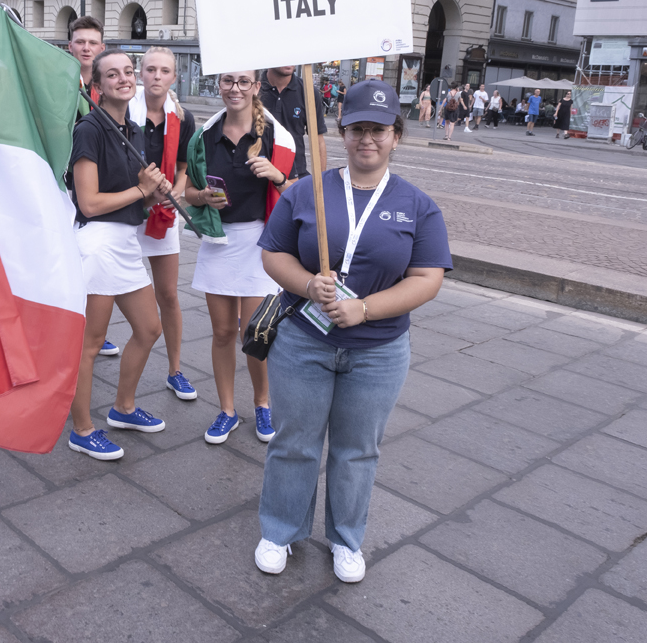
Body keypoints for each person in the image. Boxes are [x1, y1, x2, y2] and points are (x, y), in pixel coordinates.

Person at [253, 78, 451, 583]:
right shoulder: (307, 190)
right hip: (304, 340)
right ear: (342, 133)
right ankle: (280, 530)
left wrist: (365, 309)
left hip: (378, 351)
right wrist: (305, 283)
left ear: (396, 135)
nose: (368, 139)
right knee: (294, 440)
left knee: (357, 448)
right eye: (358, 128)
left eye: (379, 130)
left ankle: (346, 539)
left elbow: (427, 279)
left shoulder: (417, 205)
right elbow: (272, 252)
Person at [67, 50, 171, 460]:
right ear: (98, 83)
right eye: (113, 74)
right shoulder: (89, 129)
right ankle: (81, 429)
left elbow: (132, 199)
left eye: (129, 72)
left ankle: (123, 408)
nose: (124, 79)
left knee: (148, 329)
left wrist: (152, 197)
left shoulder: (134, 127)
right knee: (89, 344)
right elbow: (89, 202)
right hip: (97, 243)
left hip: (126, 241)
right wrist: (142, 191)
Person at [186, 69, 295, 446]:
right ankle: (227, 410)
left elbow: (302, 191)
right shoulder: (204, 136)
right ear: (219, 85)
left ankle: (262, 404)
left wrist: (278, 176)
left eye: (243, 82)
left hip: (259, 243)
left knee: (256, 334)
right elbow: (188, 190)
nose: (235, 88)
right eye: (228, 81)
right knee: (221, 333)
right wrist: (203, 198)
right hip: (218, 243)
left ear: (255, 87)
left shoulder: (276, 138)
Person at [128, 47, 198, 401]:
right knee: (107, 293)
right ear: (141, 73)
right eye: (150, 69)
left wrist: (178, 191)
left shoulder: (182, 117)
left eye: (164, 71)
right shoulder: (125, 108)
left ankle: (175, 370)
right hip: (124, 210)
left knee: (168, 294)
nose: (157, 76)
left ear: (174, 76)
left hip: (162, 213)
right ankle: (91, 352)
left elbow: (183, 168)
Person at [67, 15, 121, 357]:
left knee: (97, 267)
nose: (86, 48)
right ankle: (75, 329)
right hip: (64, 185)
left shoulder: (106, 86)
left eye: (92, 43)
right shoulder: (59, 82)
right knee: (70, 261)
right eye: (80, 42)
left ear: (101, 48)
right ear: (69, 46)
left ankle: (93, 331)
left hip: (98, 185)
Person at [260, 65, 327, 178]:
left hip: (295, 176)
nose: (290, 61)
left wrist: (320, 182)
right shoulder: (253, 89)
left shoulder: (308, 92)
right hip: (258, 174)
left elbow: (318, 141)